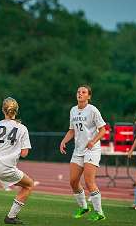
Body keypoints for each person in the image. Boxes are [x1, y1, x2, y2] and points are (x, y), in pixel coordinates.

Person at [59, 85, 107, 221]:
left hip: (92, 149)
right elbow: (72, 130)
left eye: (83, 92)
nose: (80, 94)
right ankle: (84, 207)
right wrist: (64, 141)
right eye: (78, 92)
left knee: (89, 181)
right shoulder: (73, 110)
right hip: (78, 150)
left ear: (89, 96)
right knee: (73, 181)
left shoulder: (92, 110)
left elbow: (103, 130)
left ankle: (99, 213)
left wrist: (93, 141)